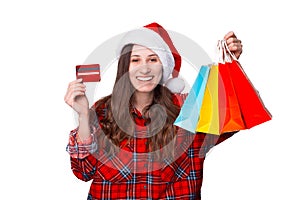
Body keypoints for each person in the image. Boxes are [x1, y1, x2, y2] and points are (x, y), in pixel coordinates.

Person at [65, 22, 243, 200]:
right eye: (136, 60)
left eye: (153, 59)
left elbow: (235, 116)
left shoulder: (189, 107)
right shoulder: (102, 111)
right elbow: (83, 172)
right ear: (125, 68)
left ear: (163, 67)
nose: (145, 68)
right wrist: (83, 116)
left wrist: (230, 65)